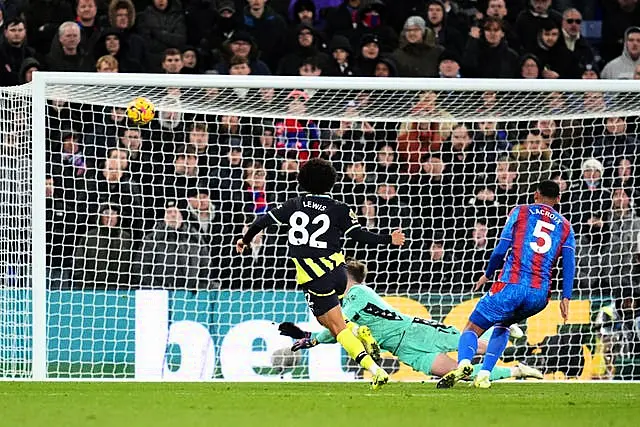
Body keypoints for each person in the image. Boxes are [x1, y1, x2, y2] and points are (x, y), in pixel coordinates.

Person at [235, 158, 406, 389]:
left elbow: (261, 222)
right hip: (338, 271)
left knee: (336, 329)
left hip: (314, 277)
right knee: (334, 321)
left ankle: (375, 370)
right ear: (332, 183)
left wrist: (244, 241)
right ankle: (358, 329)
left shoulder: (293, 205)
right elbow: (359, 236)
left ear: (302, 181)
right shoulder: (340, 208)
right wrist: (390, 239)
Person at [278, 259, 543, 382]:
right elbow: (338, 330)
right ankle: (517, 370)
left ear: (346, 275)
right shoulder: (344, 303)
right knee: (458, 373)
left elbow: (341, 327)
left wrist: (312, 338)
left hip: (418, 331)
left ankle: (504, 327)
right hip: (405, 350)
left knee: (474, 344)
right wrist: (310, 339)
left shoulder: (358, 293)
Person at [438, 180, 576, 389]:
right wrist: (566, 297)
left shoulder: (520, 212)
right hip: (539, 295)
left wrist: (488, 273)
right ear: (558, 199)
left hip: (511, 284)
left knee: (472, 328)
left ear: (535, 194)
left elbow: (501, 250)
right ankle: (484, 375)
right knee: (503, 324)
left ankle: (464, 363)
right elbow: (569, 264)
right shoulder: (566, 226)